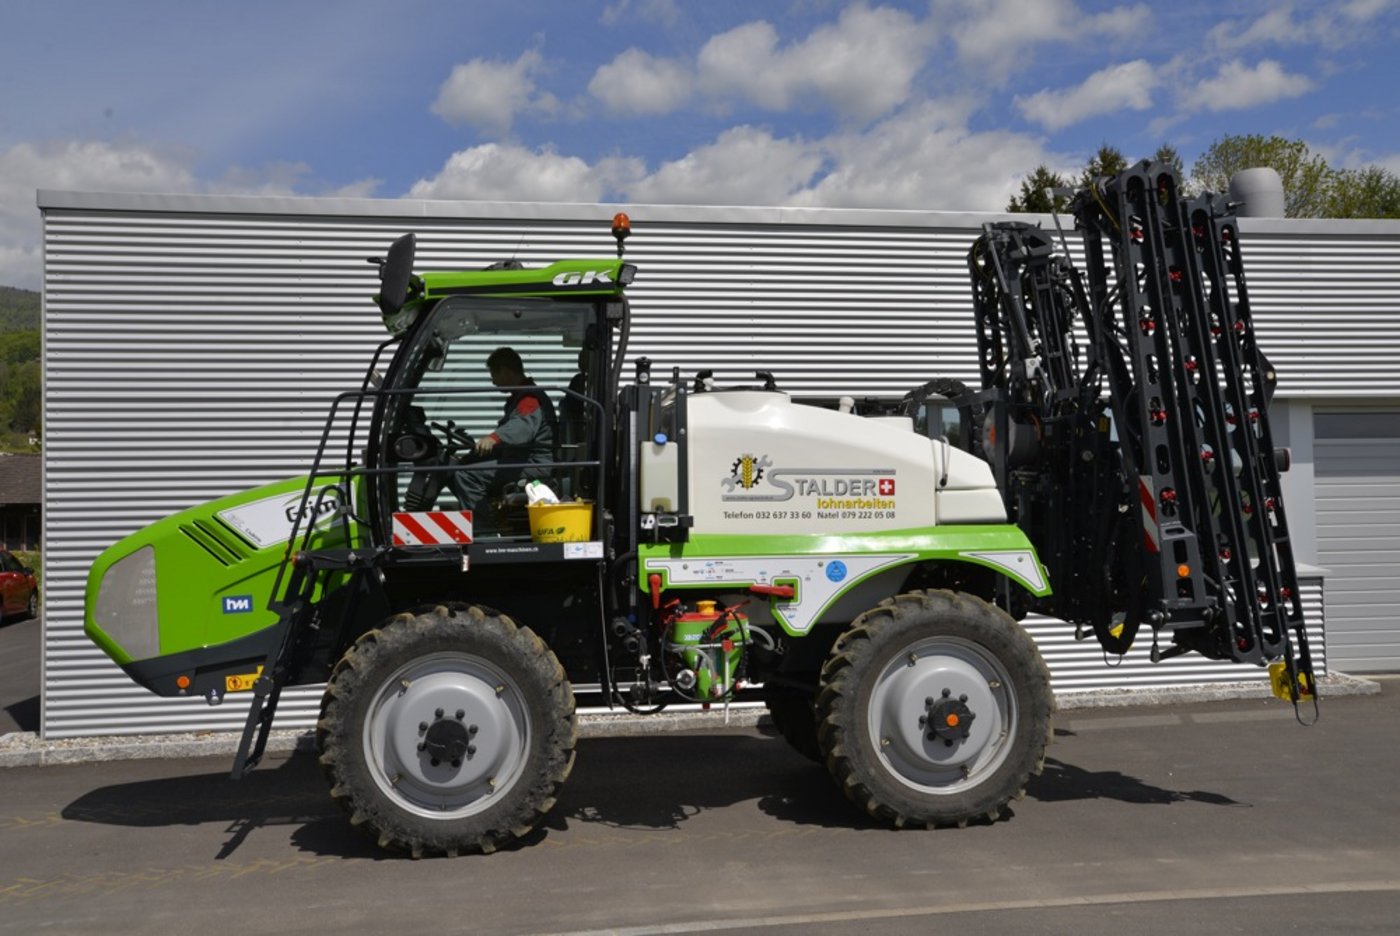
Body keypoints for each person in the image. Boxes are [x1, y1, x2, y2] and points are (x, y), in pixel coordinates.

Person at [454, 347, 557, 511]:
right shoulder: (520, 397)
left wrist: (493, 438)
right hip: (521, 459)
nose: (493, 381)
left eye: (494, 375)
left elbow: (521, 429)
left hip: (534, 464)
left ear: (505, 371)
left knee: (467, 476)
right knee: (463, 465)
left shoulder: (529, 399)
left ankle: (480, 525)